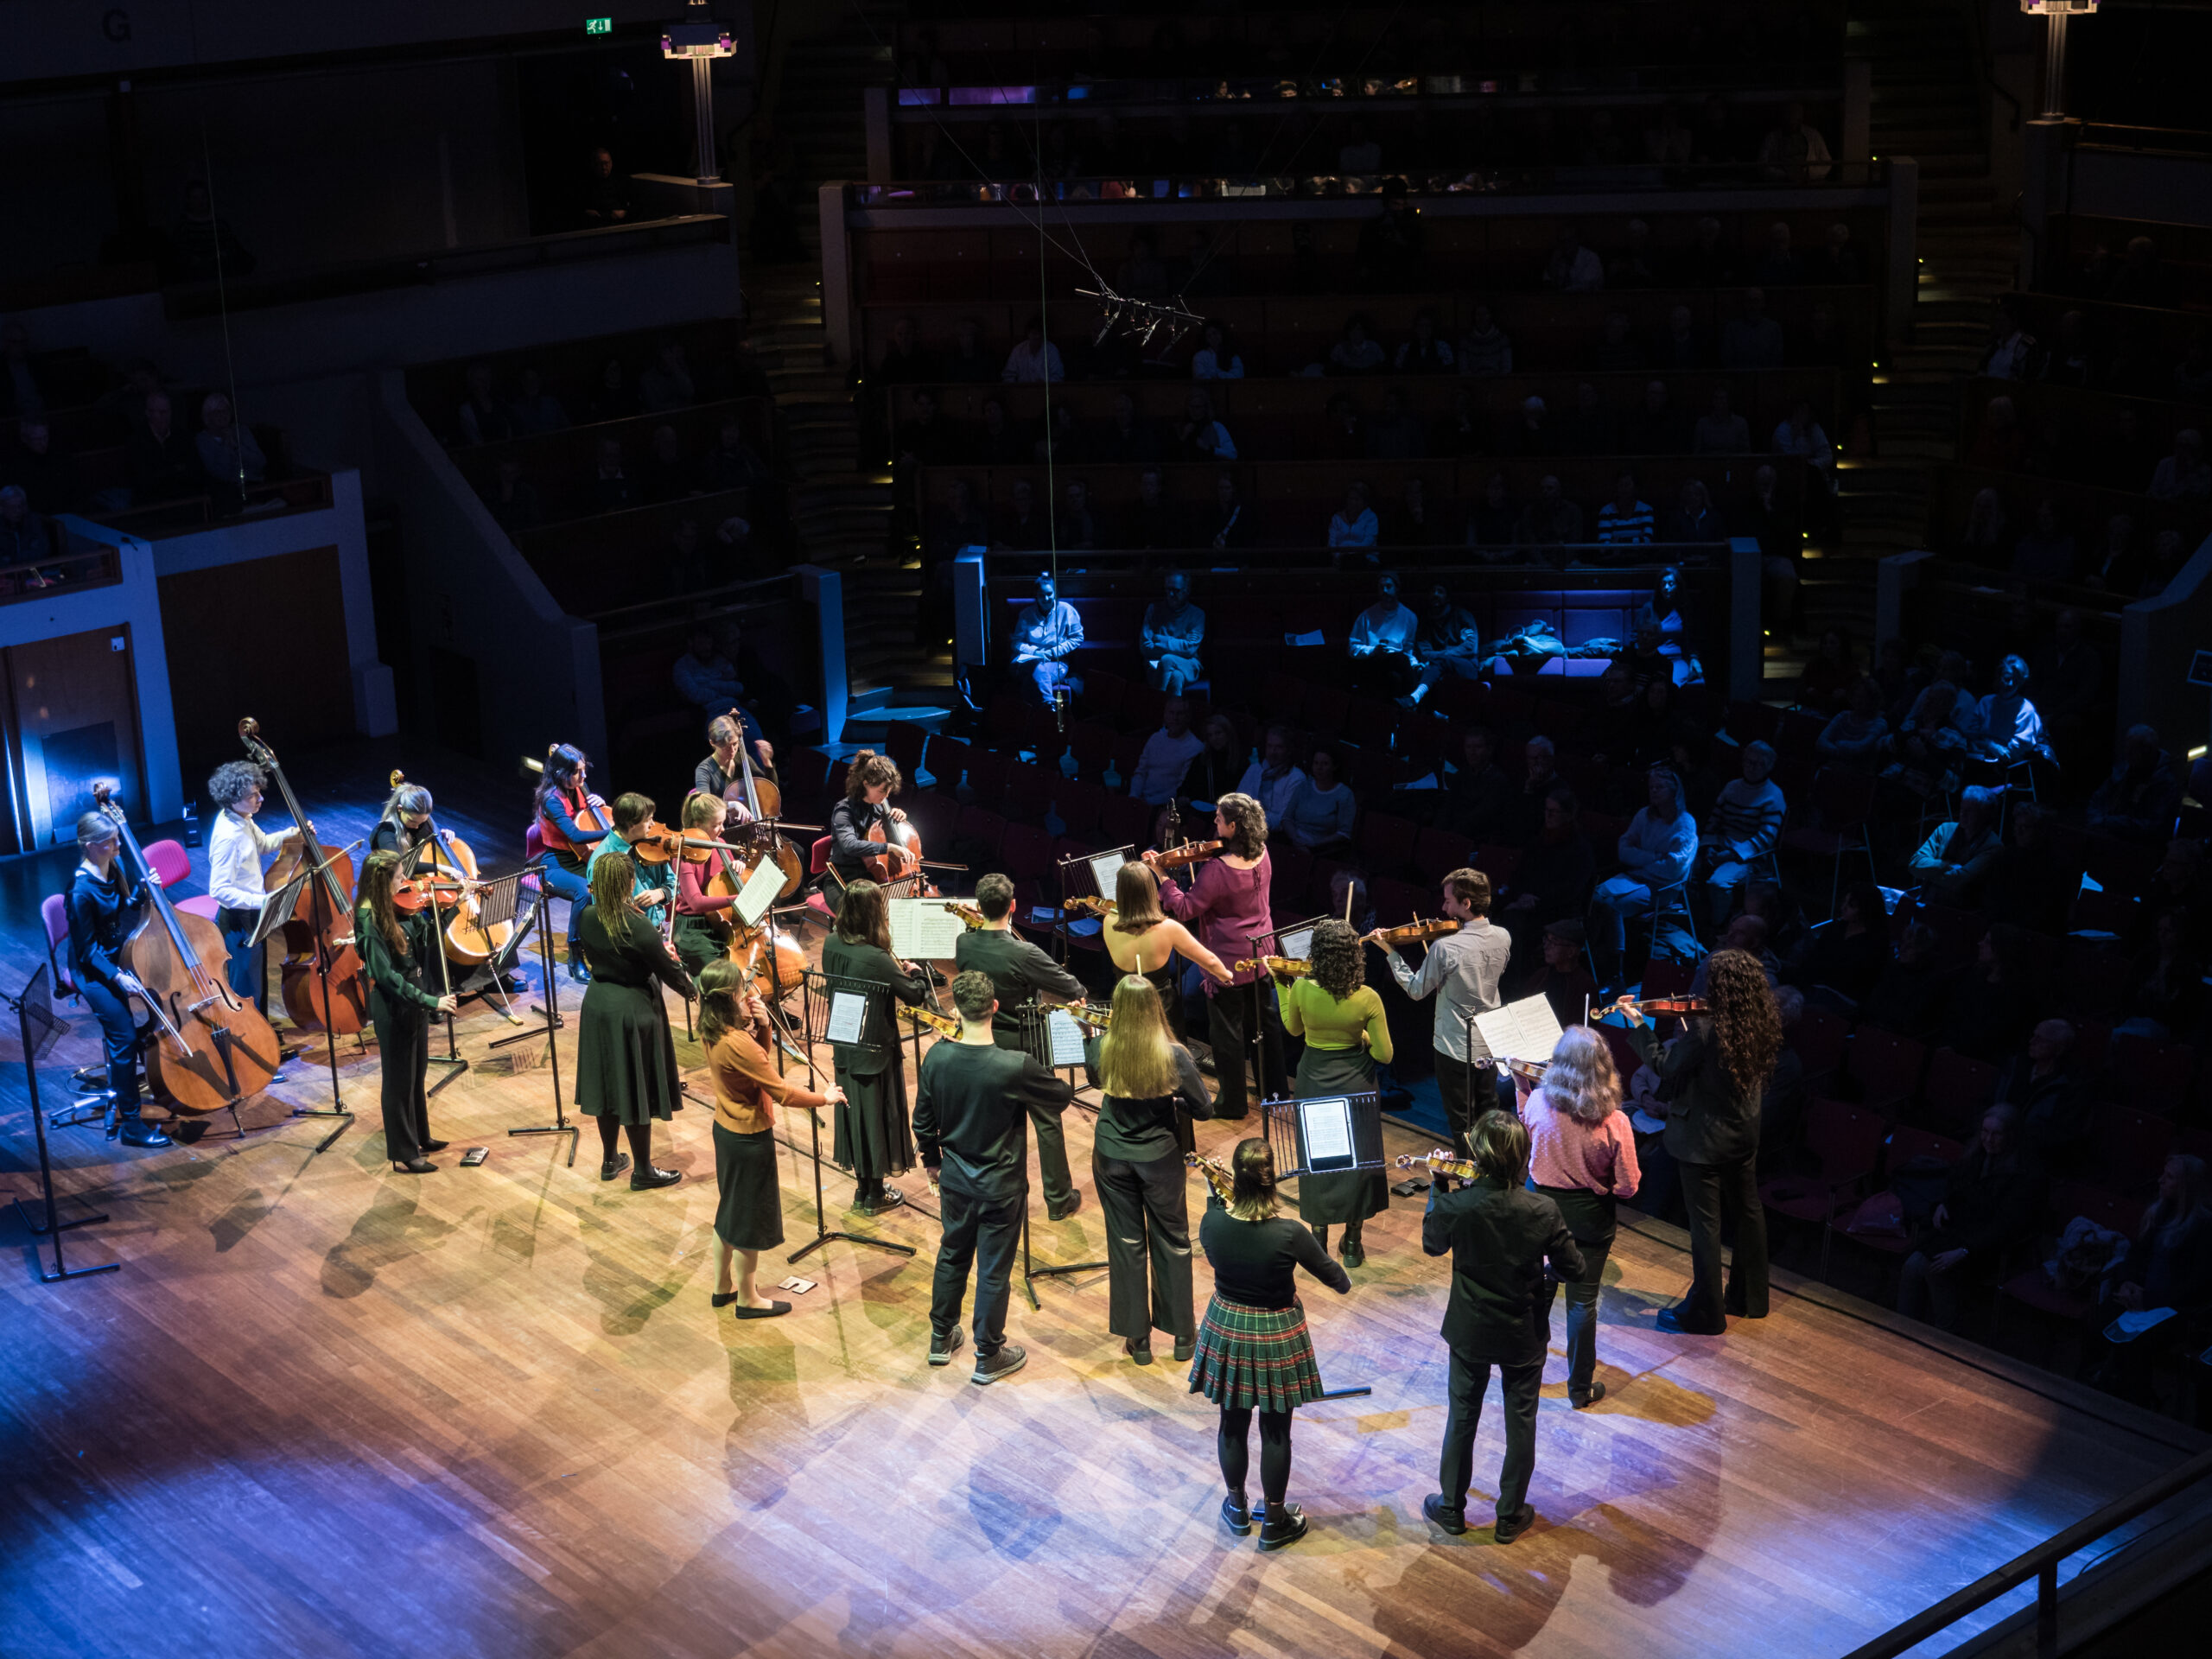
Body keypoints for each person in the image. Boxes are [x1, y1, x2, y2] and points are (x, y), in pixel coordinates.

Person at [1420, 1109, 1585, 1542]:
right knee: (1521, 1421)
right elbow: (1575, 1268)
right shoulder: (1542, 1209)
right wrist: (1547, 1278)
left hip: (1470, 1330)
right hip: (1522, 1331)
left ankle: (1451, 1509)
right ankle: (1510, 1516)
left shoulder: (1458, 1203)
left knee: (1462, 1418)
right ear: (1522, 1158)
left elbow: (1432, 1244)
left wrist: (1438, 1187)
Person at [1190, 1135, 1352, 1550]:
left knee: (1232, 1423)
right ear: (1271, 1180)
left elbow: (1222, 1236)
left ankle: (1238, 1509)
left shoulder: (1212, 1223)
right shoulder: (1290, 1234)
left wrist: (1218, 1196)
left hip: (1227, 1327)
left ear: (1236, 1180)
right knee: (1276, 1431)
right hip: (1276, 1334)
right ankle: (1276, 1520)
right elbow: (1340, 1281)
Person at [915, 969, 1076, 1382]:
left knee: (952, 1254)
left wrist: (932, 1160)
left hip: (954, 1180)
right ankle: (988, 1355)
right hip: (1000, 1187)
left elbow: (922, 1121)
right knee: (992, 1270)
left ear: (955, 1011)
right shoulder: (1014, 1066)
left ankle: (940, 1337)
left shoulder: (936, 1056)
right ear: (995, 1008)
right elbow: (1060, 1096)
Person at [1618, 950, 1778, 1333]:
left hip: (1704, 1138)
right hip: (1743, 1132)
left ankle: (1706, 1313)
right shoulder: (1756, 1019)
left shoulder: (1706, 1026)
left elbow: (1666, 1067)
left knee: (1706, 1225)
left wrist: (1639, 1025)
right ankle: (1750, 1298)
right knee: (1748, 1211)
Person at [698, 959, 843, 1319]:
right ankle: (748, 1299)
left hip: (726, 1130)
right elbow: (781, 1092)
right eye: (742, 988)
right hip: (749, 1139)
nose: (748, 992)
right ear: (731, 996)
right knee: (749, 1220)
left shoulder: (711, 1027)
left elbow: (755, 1065)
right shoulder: (737, 1043)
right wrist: (823, 1099)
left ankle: (722, 1288)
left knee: (729, 1212)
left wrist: (763, 1025)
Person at [1086, 976, 1208, 1364]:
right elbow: (1204, 1109)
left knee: (1125, 1243)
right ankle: (1183, 1336)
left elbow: (1095, 1078)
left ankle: (1138, 1341)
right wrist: (1175, 1100)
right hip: (1158, 1158)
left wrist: (1090, 1036)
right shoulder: (1174, 1055)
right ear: (1156, 1008)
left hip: (1110, 1154)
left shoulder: (1102, 1045)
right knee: (1173, 1239)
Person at [1516, 1028, 1640, 1407]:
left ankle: (1525, 1377)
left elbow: (1525, 1129)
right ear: (1604, 1069)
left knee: (1538, 1296)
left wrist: (1521, 1082)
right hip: (1589, 1223)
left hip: (1539, 1218)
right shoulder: (1615, 1122)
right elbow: (1629, 1186)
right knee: (1582, 1304)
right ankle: (1579, 1389)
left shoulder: (1538, 1102)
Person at [956, 872, 1088, 1217]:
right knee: (1047, 1119)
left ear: (979, 907)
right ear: (1013, 906)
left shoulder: (963, 943)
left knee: (1001, 1122)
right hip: (1027, 1044)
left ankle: (1002, 1197)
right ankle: (1059, 1200)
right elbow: (1072, 986)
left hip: (985, 1044)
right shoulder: (1024, 952)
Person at [1147, 793, 1286, 1120]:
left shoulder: (1218, 870)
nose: (1214, 822)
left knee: (1228, 1035)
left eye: (1219, 819)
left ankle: (1234, 1103)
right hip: (1261, 954)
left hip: (1228, 964)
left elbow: (1183, 908)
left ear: (1234, 826)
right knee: (1265, 1027)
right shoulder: (1263, 854)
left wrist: (1163, 877)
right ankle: (1274, 1090)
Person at [574, 851, 692, 1189]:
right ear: (628, 883)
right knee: (634, 1088)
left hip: (597, 1005)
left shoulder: (587, 916)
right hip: (632, 1009)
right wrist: (695, 991)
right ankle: (643, 1170)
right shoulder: (638, 924)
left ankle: (610, 1160)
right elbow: (669, 972)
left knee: (609, 1084)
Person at [1278, 920, 1393, 1267]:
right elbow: (1384, 1055)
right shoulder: (1368, 997)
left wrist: (1281, 987)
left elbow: (1293, 1028)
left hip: (1314, 1080)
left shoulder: (1300, 988)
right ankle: (1354, 1244)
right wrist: (1364, 1038)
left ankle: (1318, 1241)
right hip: (1355, 1086)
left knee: (1319, 1159)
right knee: (1357, 1162)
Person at [1377, 868, 1513, 1153]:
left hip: (1455, 1045)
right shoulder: (1503, 937)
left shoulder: (1445, 947)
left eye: (1449, 901)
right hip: (1488, 1043)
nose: (1442, 907)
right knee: (1488, 1114)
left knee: (1462, 1121)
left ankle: (1468, 1181)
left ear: (1466, 904)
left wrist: (1390, 952)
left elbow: (1416, 990)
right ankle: (1492, 1174)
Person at [823, 879, 933, 1213]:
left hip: (845, 1041)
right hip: (875, 1049)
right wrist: (915, 973)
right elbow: (914, 996)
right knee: (876, 1119)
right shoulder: (877, 957)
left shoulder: (830, 943)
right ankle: (874, 1195)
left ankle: (862, 1191)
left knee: (856, 1116)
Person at [66, 811, 171, 1148]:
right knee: (123, 1038)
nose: (117, 844)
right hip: (93, 970)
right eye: (111, 841)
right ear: (89, 846)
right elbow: (86, 951)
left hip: (120, 956)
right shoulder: (80, 891)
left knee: (141, 1027)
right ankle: (132, 1126)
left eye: (116, 839)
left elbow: (124, 905)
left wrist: (143, 891)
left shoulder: (114, 865)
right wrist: (117, 978)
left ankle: (158, 1084)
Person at [353, 849, 460, 1173]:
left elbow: (426, 938)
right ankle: (402, 1151)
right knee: (398, 1081)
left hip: (413, 997)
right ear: (382, 881)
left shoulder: (400, 906)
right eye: (399, 877)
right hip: (394, 1005)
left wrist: (451, 908)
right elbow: (386, 978)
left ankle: (420, 1137)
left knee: (416, 1074)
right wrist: (431, 1002)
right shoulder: (368, 918)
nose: (407, 882)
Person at [1896, 1105, 2044, 1333]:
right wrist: (1942, 1205)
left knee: (1932, 1269)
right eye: (1985, 1132)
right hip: (1958, 1234)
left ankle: (1945, 1336)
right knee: (1912, 1266)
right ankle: (1904, 1330)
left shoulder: (2022, 1176)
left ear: (2011, 1136)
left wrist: (1965, 1251)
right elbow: (1955, 1190)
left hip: (1986, 1247)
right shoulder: (1974, 1159)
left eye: (1997, 1134)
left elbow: (2006, 1227)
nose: (1988, 1139)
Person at [2085, 1154, 2212, 1408]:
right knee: (2097, 1320)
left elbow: (2197, 1285)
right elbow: (2135, 1255)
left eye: (2169, 1177)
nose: (2160, 1180)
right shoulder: (2160, 1213)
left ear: (2187, 1186)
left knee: (2139, 1340)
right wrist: (2127, 1283)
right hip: (2140, 1297)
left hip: (2174, 1309)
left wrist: (2149, 1299)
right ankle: (2092, 1389)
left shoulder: (2205, 1228)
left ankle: (2136, 1403)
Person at [1104, 860, 1233, 1058]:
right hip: (1161, 1009)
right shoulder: (1168, 928)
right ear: (1150, 891)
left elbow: (1118, 915)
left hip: (1125, 1002)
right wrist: (1226, 975)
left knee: (1130, 1060)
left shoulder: (1108, 922)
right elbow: (1209, 960)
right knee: (1170, 1065)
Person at [206, 760, 302, 1015]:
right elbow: (219, 889)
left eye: (259, 791)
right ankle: (251, 1046)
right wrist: (263, 902)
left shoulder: (243, 817)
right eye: (253, 795)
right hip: (239, 922)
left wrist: (294, 833)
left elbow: (264, 843)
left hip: (254, 914)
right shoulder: (228, 837)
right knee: (246, 991)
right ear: (233, 798)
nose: (260, 799)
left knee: (257, 986)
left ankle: (265, 1037)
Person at [1590, 766, 1699, 987]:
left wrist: (1641, 859)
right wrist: (1653, 857)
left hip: (1664, 887)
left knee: (1611, 904)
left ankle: (1615, 972)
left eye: (1659, 787)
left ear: (1673, 790)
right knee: (1595, 895)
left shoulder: (1685, 823)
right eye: (1651, 787)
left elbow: (1673, 868)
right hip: (1638, 877)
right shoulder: (1644, 815)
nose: (1654, 791)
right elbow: (1624, 848)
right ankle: (1594, 958)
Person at [536, 744, 612, 981]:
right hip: (555, 863)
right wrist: (613, 832)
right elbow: (577, 836)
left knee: (610, 882)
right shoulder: (551, 801)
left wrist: (597, 802)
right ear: (560, 773)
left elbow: (588, 821)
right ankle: (575, 955)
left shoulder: (579, 789)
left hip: (581, 858)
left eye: (583, 770)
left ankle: (603, 945)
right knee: (584, 892)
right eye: (578, 772)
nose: (584, 776)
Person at [1697, 741, 1785, 930]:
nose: (1752, 767)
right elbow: (1714, 821)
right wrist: (1709, 847)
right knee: (1687, 871)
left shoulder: (1773, 795)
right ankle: (1695, 918)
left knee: (1719, 883)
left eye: (1759, 764)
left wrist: (1731, 855)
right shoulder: (1732, 787)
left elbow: (1765, 839)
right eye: (1749, 762)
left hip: (1749, 855)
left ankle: (1717, 926)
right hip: (1721, 845)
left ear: (1769, 766)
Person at [824, 750, 912, 912]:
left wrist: (898, 818)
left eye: (888, 792)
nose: (886, 796)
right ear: (865, 783)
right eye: (881, 791)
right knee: (865, 918)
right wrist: (889, 847)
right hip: (845, 880)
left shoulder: (880, 805)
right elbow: (849, 845)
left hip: (873, 878)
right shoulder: (844, 810)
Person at [671, 791, 741, 977]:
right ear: (697, 825)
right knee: (719, 980)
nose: (723, 829)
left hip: (724, 922)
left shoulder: (721, 844)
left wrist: (736, 867)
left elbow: (729, 884)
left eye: (723, 823)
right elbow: (696, 902)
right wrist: (738, 899)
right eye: (716, 825)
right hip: (694, 928)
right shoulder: (684, 855)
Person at [2087, 725, 2180, 843]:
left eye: (2133, 750)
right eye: (2127, 749)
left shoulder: (2165, 783)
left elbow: (2155, 827)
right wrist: (2098, 820)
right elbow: (2097, 799)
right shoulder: (2123, 771)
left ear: (2148, 751)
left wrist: (2109, 822)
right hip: (2110, 839)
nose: (2127, 754)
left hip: (2140, 849)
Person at [1012, 570, 1084, 705]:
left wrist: (1053, 652)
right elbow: (1016, 643)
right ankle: (1049, 707)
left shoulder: (1066, 610)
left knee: (1032, 680)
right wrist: (1035, 652)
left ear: (1055, 593)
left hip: (1057, 662)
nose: (1045, 599)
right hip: (1028, 661)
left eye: (1049, 594)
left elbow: (1077, 638)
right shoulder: (1026, 614)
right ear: (1036, 596)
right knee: (1036, 668)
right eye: (1041, 595)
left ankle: (1039, 712)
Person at [1348, 570, 1422, 697]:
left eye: (1388, 586)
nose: (1385, 591)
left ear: (1397, 588)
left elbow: (1408, 650)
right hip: (1372, 661)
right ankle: (1413, 699)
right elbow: (1352, 648)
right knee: (1398, 662)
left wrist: (1415, 664)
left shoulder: (1409, 617)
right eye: (1381, 587)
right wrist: (1374, 650)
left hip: (1398, 663)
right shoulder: (1366, 616)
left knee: (1396, 674)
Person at [1279, 747, 1357, 855]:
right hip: (1295, 841)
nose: (1319, 768)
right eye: (1316, 763)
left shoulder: (1344, 794)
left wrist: (1316, 843)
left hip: (1323, 849)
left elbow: (1344, 833)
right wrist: (1296, 839)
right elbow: (1287, 818)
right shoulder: (1303, 787)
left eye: (1325, 764)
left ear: (1334, 766)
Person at [1130, 698, 1204, 808]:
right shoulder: (1155, 738)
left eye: (1180, 714)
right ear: (1165, 715)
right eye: (1171, 713)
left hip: (1166, 806)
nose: (1175, 718)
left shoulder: (1195, 747)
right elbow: (1141, 772)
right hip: (1142, 799)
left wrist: (1149, 804)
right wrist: (1134, 797)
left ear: (1188, 717)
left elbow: (1180, 787)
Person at [1141, 571, 1205, 696]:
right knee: (1176, 676)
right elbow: (1145, 647)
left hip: (1188, 665)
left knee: (1168, 659)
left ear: (1186, 590)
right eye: (1168, 589)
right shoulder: (1153, 610)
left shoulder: (1197, 614)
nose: (1170, 594)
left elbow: (1190, 649)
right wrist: (1179, 645)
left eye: (1175, 590)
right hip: (1156, 665)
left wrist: (1160, 639)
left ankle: (1157, 706)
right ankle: (1171, 715)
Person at [1235, 724, 1307, 824]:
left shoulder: (1296, 778)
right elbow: (1238, 800)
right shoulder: (1256, 768)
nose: (1273, 752)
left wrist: (1250, 817)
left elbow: (1284, 819)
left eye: (1279, 747)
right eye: (1270, 746)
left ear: (1288, 750)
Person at [1178, 713, 1243, 809]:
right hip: (1199, 810)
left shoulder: (1239, 761)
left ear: (1228, 733)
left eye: (1218, 733)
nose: (1214, 738)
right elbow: (1187, 786)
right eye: (1210, 735)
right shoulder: (1203, 759)